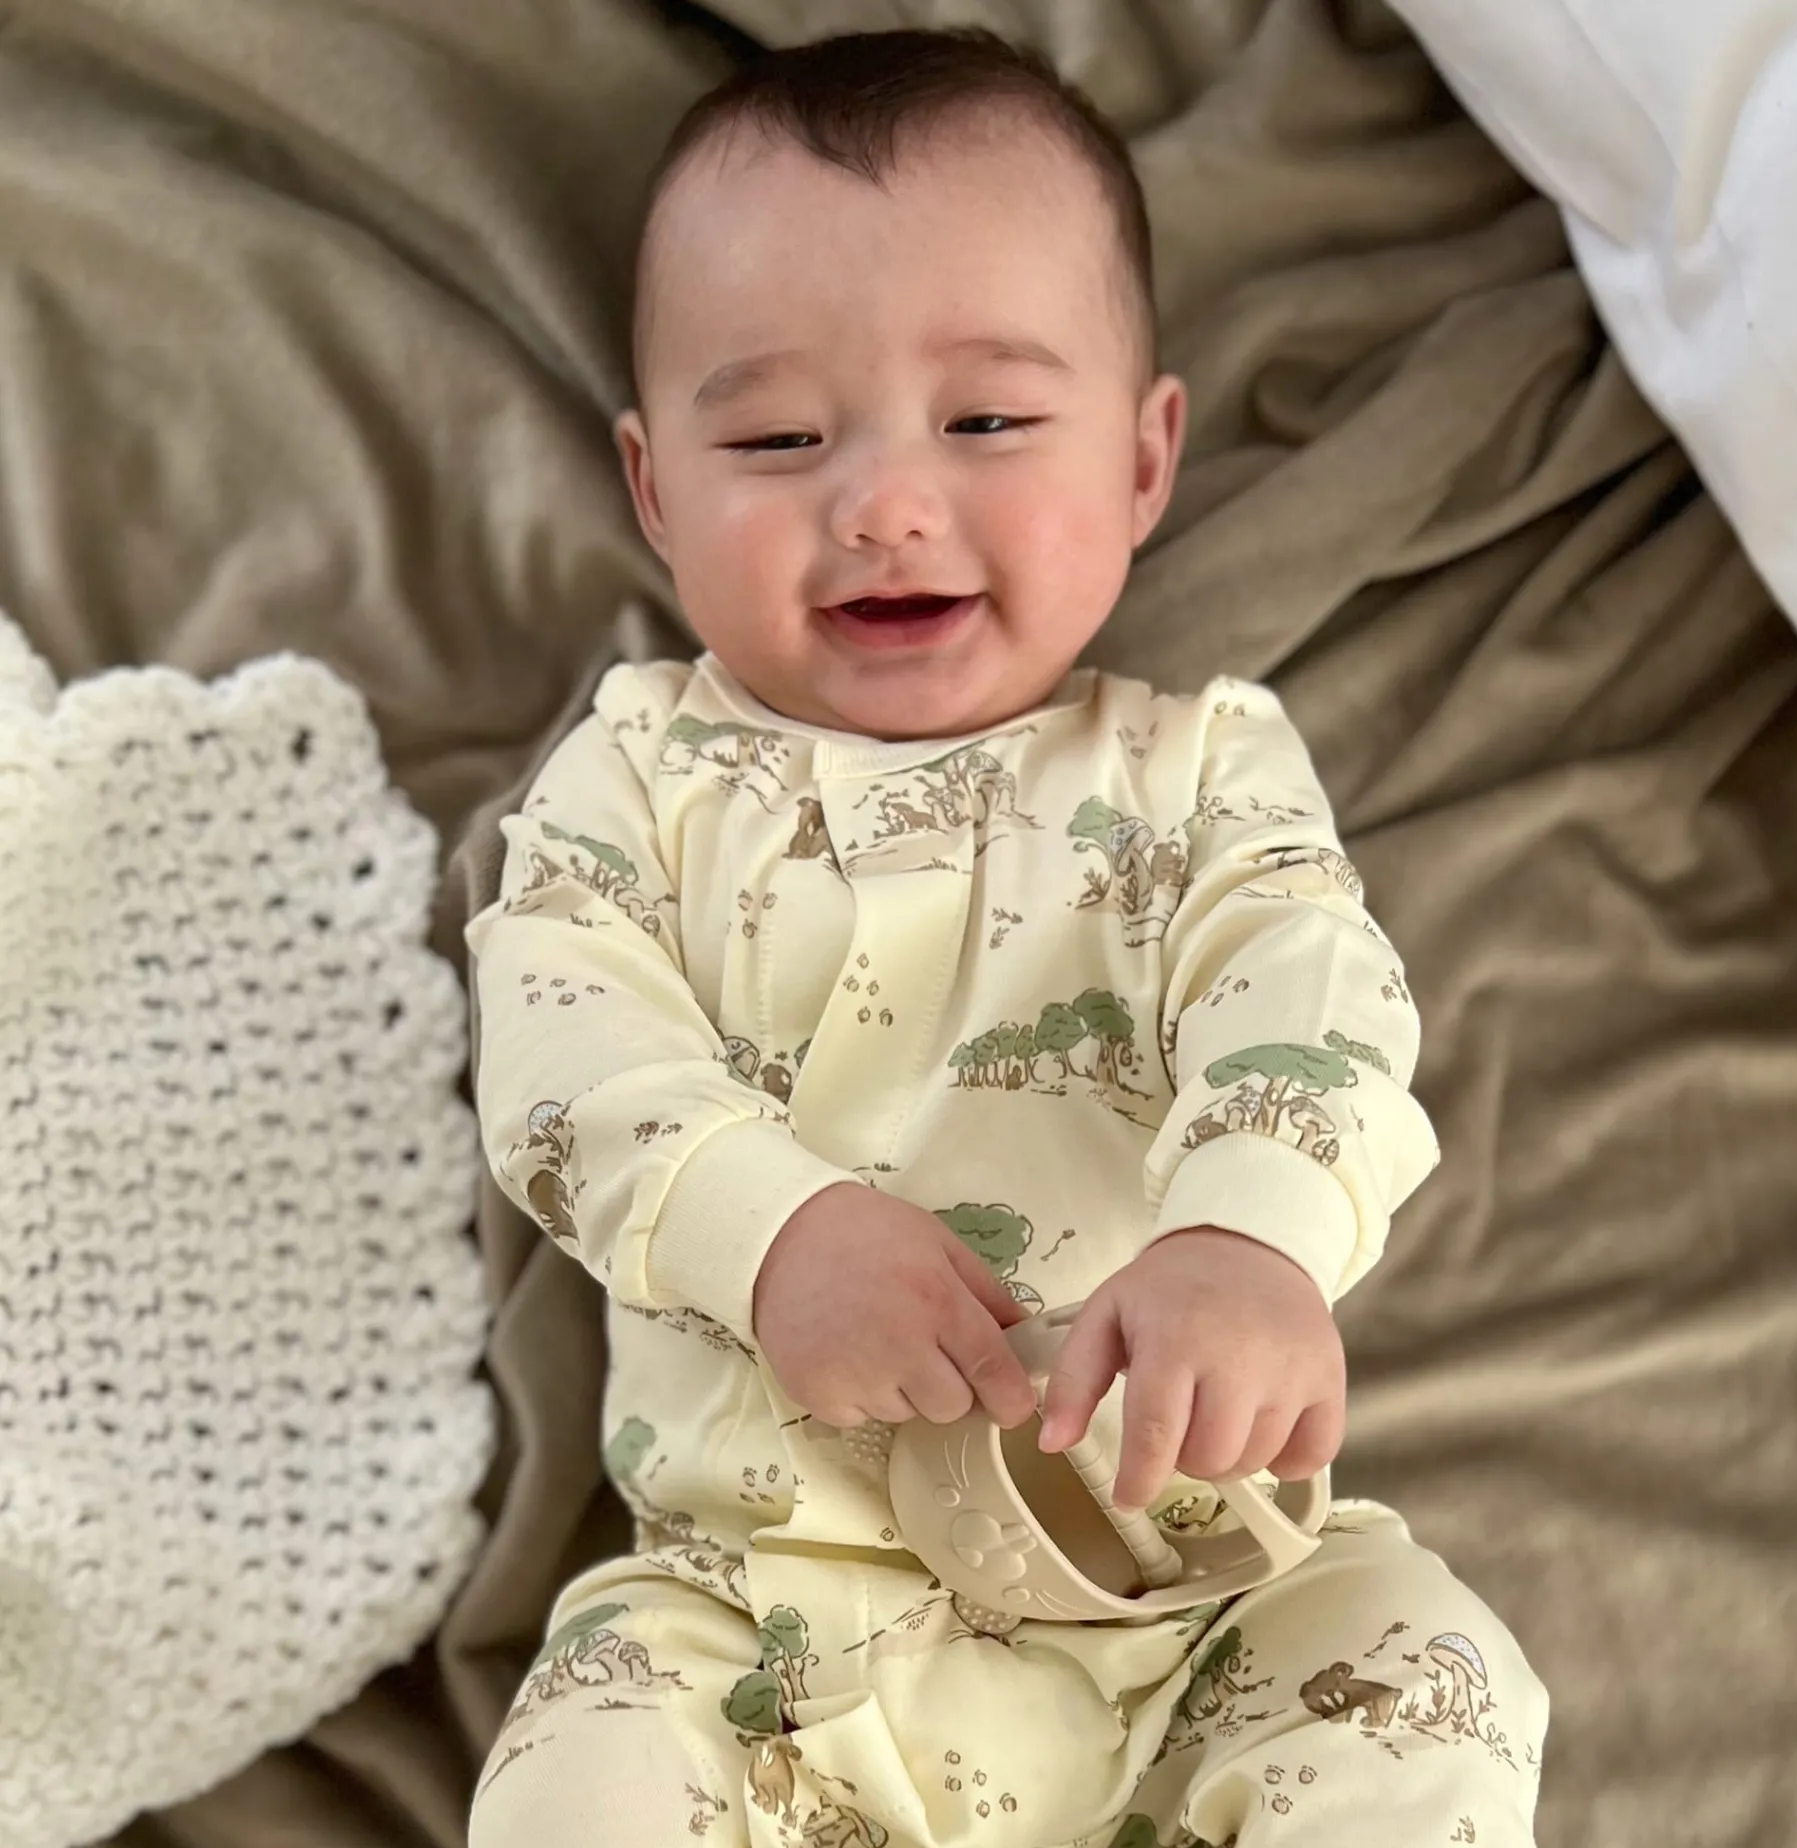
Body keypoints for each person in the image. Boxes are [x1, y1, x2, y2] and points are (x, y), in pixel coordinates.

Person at [465, 28, 1546, 1848]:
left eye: (985, 423)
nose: (885, 503)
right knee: (584, 1777)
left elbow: (1310, 987)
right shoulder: (637, 777)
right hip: (757, 1620)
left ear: (1143, 460)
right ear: (655, 491)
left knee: (1428, 1673)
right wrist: (768, 1229)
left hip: (1188, 1590)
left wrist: (1248, 1236)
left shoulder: (1200, 773)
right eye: (779, 437)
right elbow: (564, 1045)